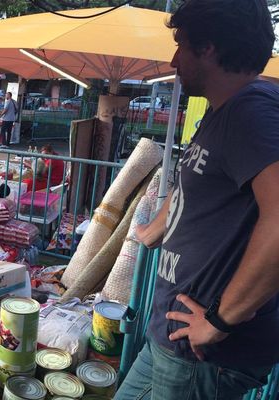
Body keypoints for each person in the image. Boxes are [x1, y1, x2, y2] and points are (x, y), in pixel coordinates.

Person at [115, 1, 279, 399]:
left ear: (208, 48)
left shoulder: (250, 113)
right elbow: (197, 179)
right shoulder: (223, 113)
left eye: (182, 45)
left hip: (206, 353)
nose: (173, 61)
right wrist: (152, 231)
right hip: (173, 340)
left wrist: (221, 320)